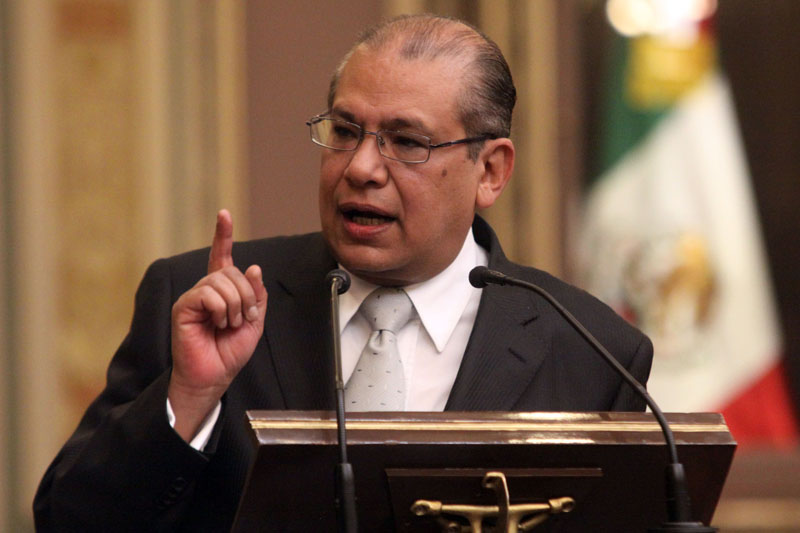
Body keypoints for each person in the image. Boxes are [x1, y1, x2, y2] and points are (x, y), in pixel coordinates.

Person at [33, 14, 653, 531]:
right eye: (346, 130)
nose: (360, 168)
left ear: (489, 171)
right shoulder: (200, 299)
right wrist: (189, 398)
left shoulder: (592, 353)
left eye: (406, 142)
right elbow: (68, 520)